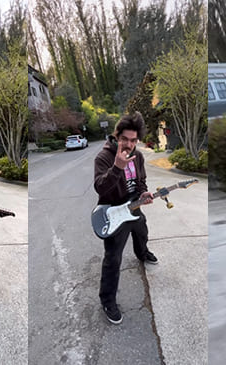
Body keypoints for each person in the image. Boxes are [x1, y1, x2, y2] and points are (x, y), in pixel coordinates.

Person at [94, 111, 157, 324]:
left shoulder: (138, 156)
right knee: (113, 258)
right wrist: (117, 167)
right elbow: (100, 188)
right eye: (124, 139)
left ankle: (143, 253)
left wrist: (144, 193)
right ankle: (107, 300)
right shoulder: (104, 157)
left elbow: (140, 181)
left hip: (133, 207)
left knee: (142, 231)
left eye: (133, 140)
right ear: (117, 136)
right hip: (113, 212)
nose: (129, 144)